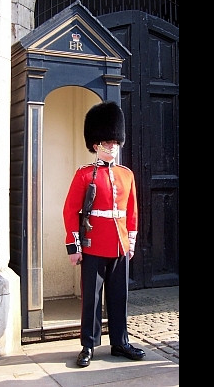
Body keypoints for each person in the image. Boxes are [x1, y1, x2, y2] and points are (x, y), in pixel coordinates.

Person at [62, 100, 145, 367]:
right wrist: (74, 248)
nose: (113, 147)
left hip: (119, 244)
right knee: (92, 298)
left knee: (119, 296)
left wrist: (130, 242)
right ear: (96, 144)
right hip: (93, 244)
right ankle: (88, 345)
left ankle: (120, 342)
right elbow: (70, 211)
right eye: (108, 143)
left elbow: (131, 211)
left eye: (115, 142)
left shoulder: (127, 175)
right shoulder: (85, 175)